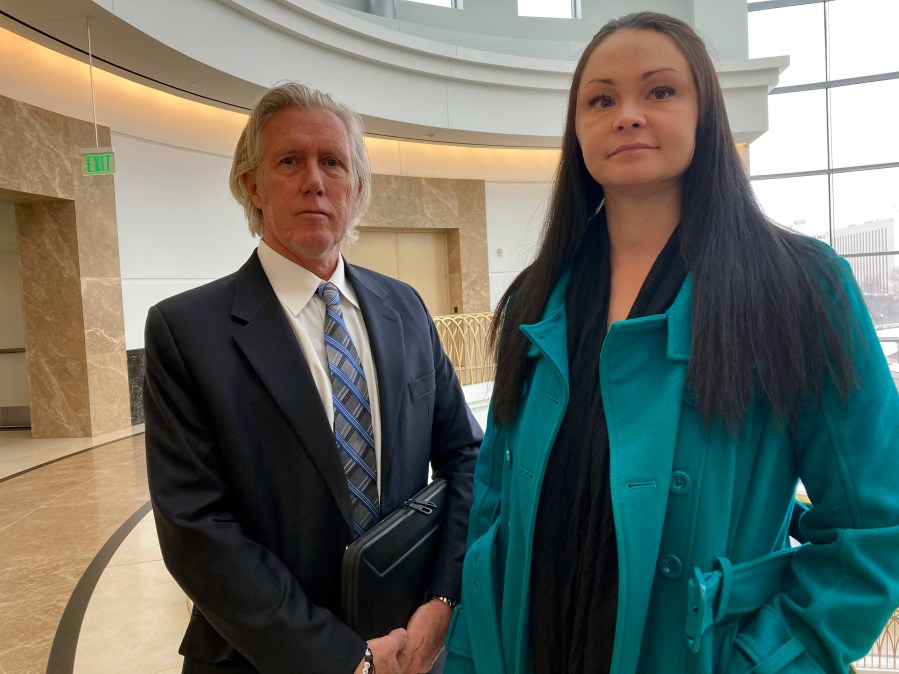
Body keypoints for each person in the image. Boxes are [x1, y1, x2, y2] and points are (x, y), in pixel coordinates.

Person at [443, 11, 899, 674]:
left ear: (705, 115)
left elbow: (871, 527)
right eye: (600, 99)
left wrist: (767, 661)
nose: (626, 114)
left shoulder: (797, 286)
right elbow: (492, 514)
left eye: (658, 91)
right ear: (576, 132)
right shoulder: (533, 299)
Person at [144, 82, 481, 674]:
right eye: (289, 161)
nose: (315, 181)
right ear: (253, 184)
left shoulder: (404, 308)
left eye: (332, 162)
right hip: (263, 657)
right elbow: (196, 529)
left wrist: (444, 599)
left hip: (409, 643)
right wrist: (340, 658)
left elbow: (465, 457)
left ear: (356, 186)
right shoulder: (186, 331)